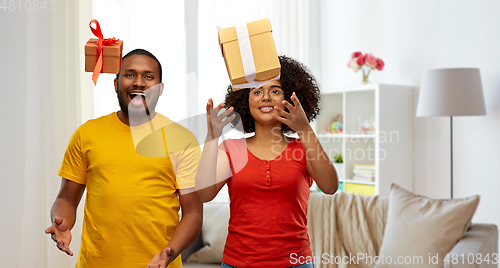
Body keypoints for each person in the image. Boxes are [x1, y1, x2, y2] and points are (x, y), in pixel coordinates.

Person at [45, 49, 203, 268]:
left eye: (148, 76)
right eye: (130, 75)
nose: (139, 82)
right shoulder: (87, 134)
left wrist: (169, 253)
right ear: (116, 83)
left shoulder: (183, 139)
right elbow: (67, 199)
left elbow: (193, 212)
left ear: (160, 88)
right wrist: (63, 222)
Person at [195, 55, 339, 268]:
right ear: (246, 100)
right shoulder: (231, 150)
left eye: (275, 91)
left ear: (290, 99)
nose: (265, 97)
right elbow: (205, 194)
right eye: (257, 91)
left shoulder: (302, 148)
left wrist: (305, 128)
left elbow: (330, 187)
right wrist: (212, 136)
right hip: (238, 263)